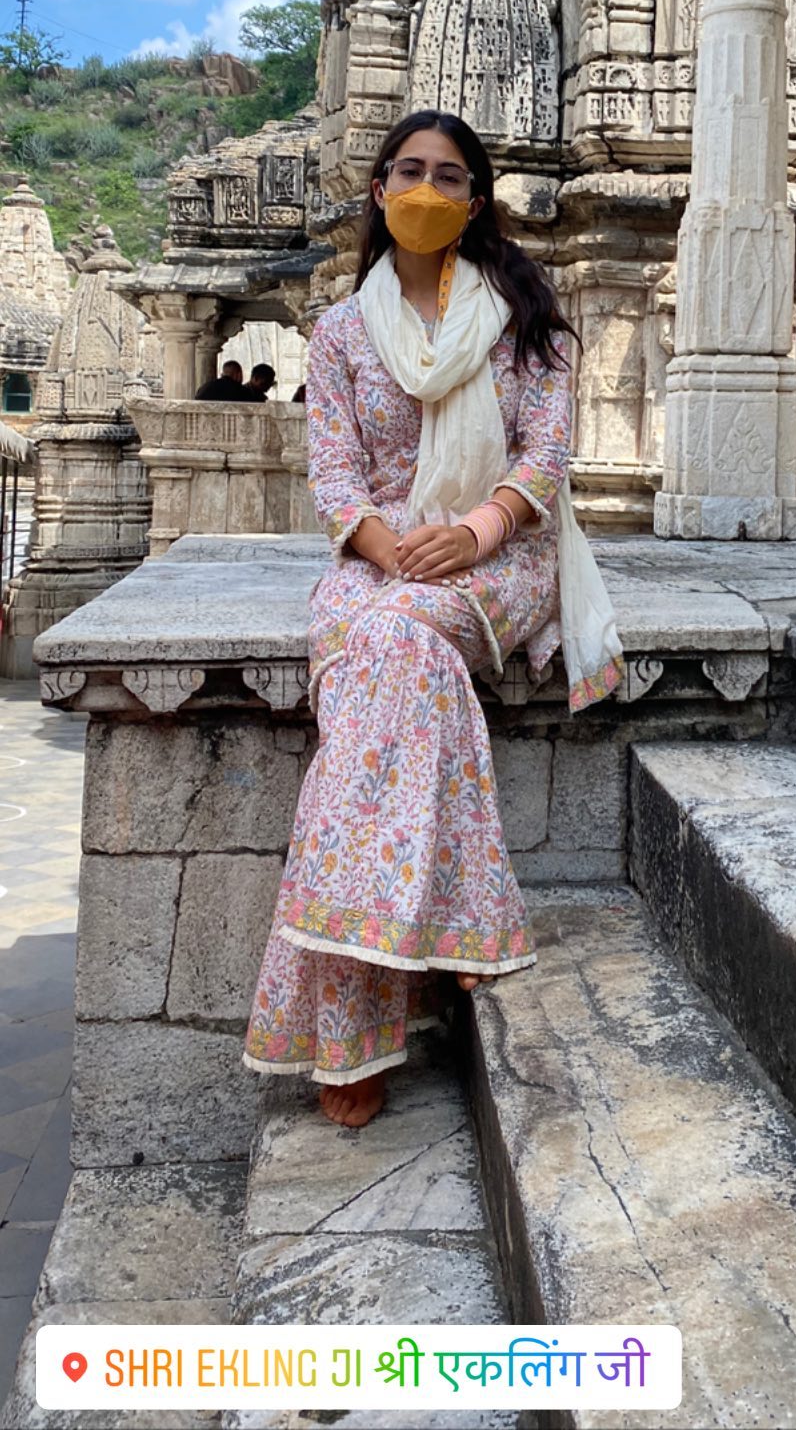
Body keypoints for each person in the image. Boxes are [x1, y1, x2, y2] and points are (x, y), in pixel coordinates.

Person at [243, 110, 624, 1127]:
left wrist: (477, 528)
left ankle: (348, 1038)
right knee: (392, 644)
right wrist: (393, 550)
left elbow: (544, 461)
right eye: (406, 170)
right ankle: (454, 926)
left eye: (447, 175)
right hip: (379, 559)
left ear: (475, 199)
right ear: (378, 191)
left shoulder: (527, 322)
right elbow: (333, 476)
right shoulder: (336, 334)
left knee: (397, 640)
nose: (424, 188)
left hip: (505, 555)